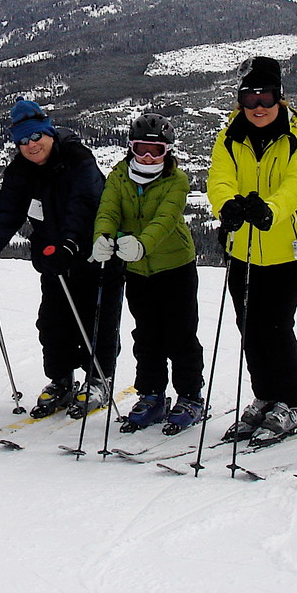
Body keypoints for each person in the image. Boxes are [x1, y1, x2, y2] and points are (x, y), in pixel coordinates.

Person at [0, 99, 123, 419]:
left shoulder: (76, 157)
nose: (31, 145)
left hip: (95, 255)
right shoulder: (20, 170)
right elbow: (7, 210)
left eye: (36, 137)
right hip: (53, 259)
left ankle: (99, 378)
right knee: (53, 322)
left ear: (49, 133)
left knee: (96, 319)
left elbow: (85, 204)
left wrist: (70, 244)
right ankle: (61, 380)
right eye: (22, 140)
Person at [207, 56, 297, 446]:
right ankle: (266, 394)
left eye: (266, 97)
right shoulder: (228, 137)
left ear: (280, 98)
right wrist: (227, 206)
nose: (258, 107)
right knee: (248, 325)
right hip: (244, 247)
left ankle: (293, 400)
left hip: (290, 247)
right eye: (250, 99)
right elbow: (219, 178)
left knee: (275, 323)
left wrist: (270, 209)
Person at [92, 112, 206, 432]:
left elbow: (166, 219)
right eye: (141, 148)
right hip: (138, 270)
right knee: (146, 335)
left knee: (180, 333)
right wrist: (102, 237)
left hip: (175, 266)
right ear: (130, 147)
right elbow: (109, 210)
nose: (147, 156)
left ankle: (190, 395)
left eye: (155, 151)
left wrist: (142, 244)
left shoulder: (176, 180)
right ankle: (152, 394)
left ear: (167, 151)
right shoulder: (119, 176)